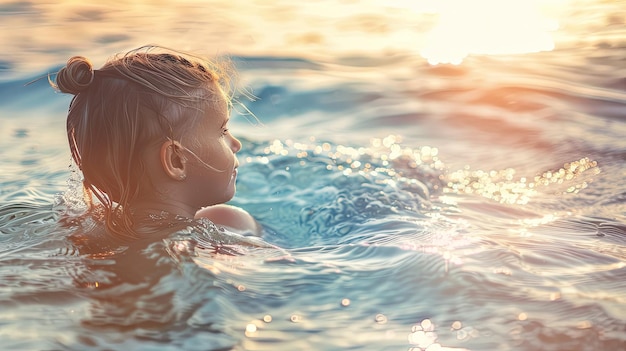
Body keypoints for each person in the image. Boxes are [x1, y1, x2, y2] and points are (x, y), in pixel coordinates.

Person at [52, 45, 260, 241]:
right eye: (222, 131)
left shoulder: (89, 232)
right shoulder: (227, 223)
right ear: (176, 160)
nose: (236, 144)